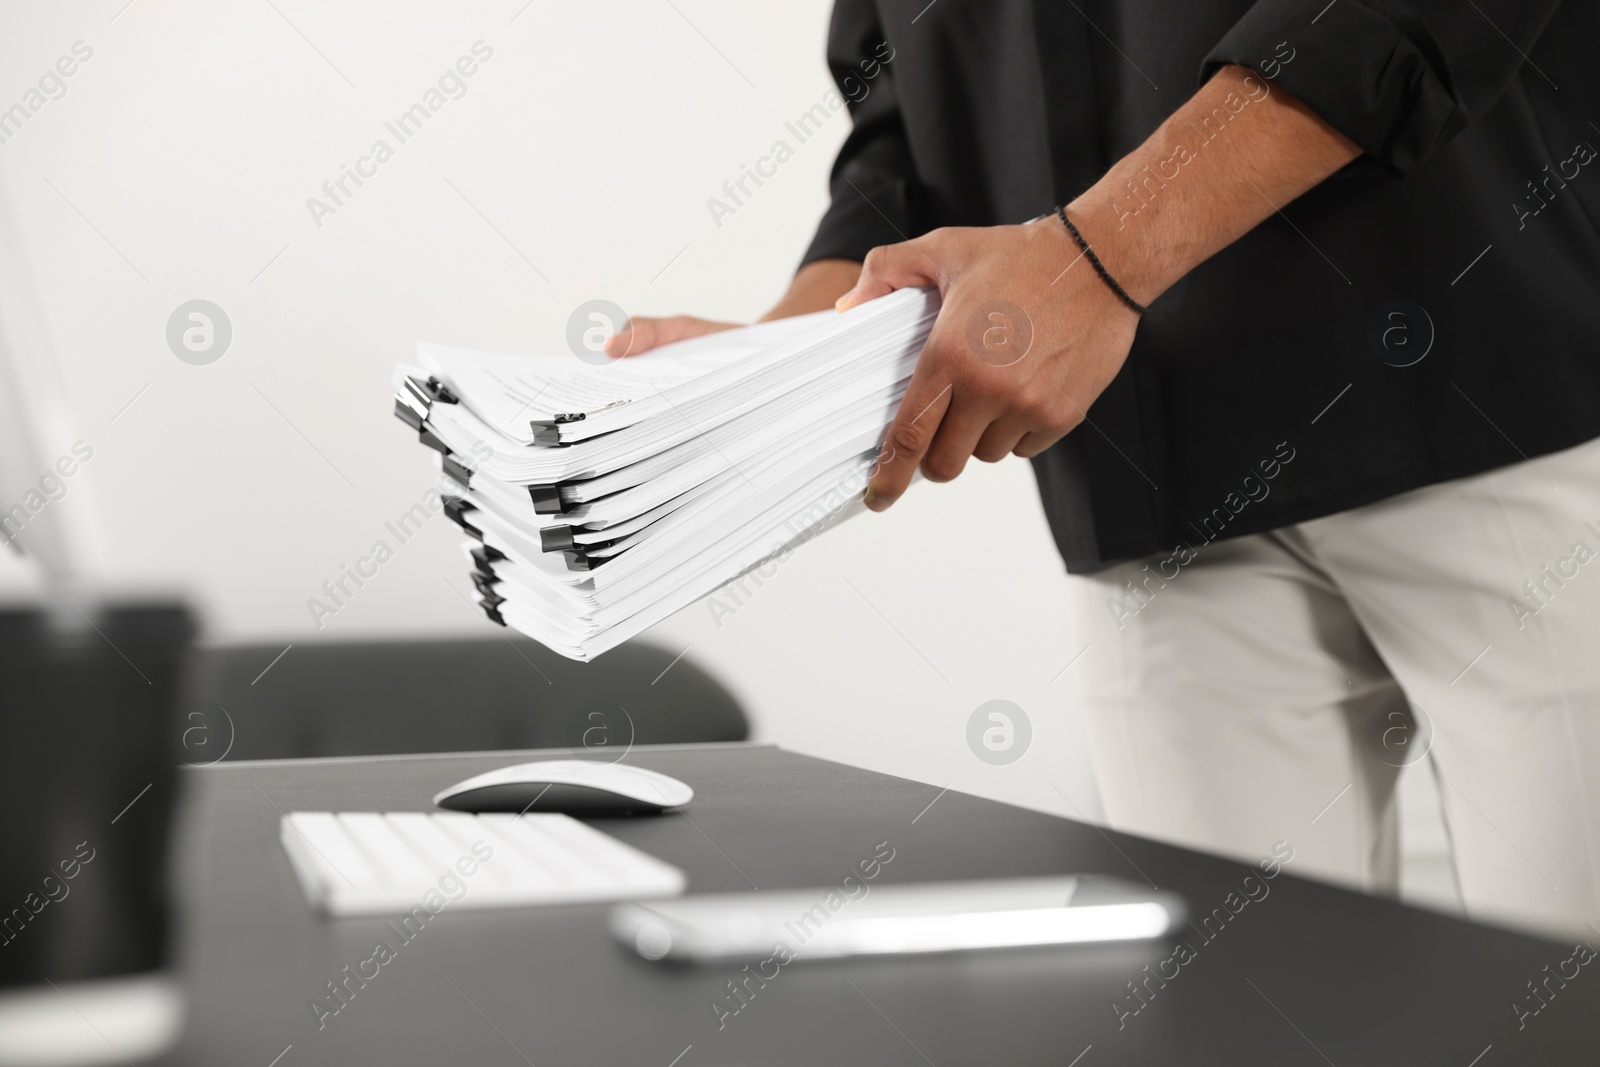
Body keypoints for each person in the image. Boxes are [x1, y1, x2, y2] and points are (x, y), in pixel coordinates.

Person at [609, 1, 1600, 941]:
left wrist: (1093, 259)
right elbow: (911, 107)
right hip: (1156, 490)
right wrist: (779, 361)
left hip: (1500, 394)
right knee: (1233, 1023)